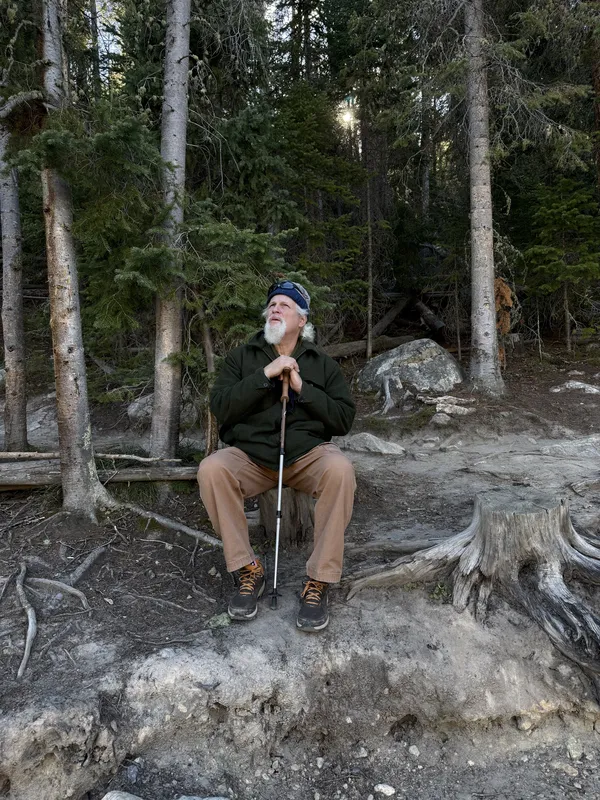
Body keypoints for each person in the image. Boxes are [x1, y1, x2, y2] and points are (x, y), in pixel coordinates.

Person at [197, 280, 356, 632]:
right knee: (212, 469)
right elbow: (220, 405)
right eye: (272, 304)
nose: (274, 309)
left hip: (305, 456)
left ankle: (319, 578)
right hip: (252, 458)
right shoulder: (243, 357)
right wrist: (264, 376)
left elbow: (343, 418)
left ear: (302, 319)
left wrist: (303, 388)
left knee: (340, 470)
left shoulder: (321, 363)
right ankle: (247, 568)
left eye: (284, 305)